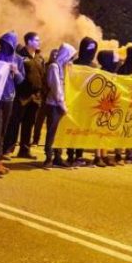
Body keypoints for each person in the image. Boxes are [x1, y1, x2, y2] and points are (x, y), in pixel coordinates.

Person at [0, 31, 25, 177]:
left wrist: (16, 72)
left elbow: (21, 80)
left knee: (3, 130)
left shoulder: (18, 60)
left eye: (9, 43)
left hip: (9, 98)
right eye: (4, 42)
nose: (6, 45)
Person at [6, 32, 45, 160]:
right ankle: (7, 149)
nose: (39, 42)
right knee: (15, 123)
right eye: (36, 40)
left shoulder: (40, 58)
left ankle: (24, 149)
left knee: (29, 124)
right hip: (21, 95)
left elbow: (43, 75)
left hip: (35, 96)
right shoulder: (20, 56)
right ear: (28, 41)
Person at [42, 43, 77, 169]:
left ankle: (58, 156)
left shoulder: (64, 67)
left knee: (60, 132)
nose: (71, 59)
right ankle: (48, 158)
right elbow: (56, 88)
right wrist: (62, 104)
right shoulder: (54, 67)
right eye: (70, 56)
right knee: (52, 132)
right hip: (54, 105)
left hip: (63, 105)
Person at [67, 37, 98, 166]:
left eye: (93, 48)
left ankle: (79, 155)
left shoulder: (94, 66)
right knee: (72, 128)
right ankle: (70, 155)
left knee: (83, 130)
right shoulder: (74, 64)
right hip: (75, 101)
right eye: (89, 48)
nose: (91, 51)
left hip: (87, 102)